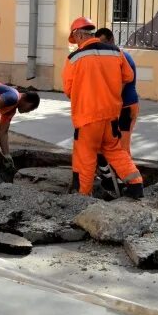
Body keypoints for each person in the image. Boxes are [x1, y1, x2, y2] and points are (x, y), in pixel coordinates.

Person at [63, 17, 144, 199]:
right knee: (114, 150)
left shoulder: (74, 58)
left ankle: (83, 195)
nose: (75, 43)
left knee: (86, 155)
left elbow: (68, 90)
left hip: (87, 117)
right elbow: (128, 76)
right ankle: (136, 184)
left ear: (79, 34)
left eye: (75, 38)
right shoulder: (116, 52)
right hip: (111, 115)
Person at [95, 27, 139, 155]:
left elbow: (119, 88)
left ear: (111, 40)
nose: (101, 46)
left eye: (103, 42)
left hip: (126, 107)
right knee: (112, 146)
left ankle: (129, 174)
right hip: (119, 107)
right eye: (98, 44)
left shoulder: (121, 57)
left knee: (122, 148)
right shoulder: (112, 58)